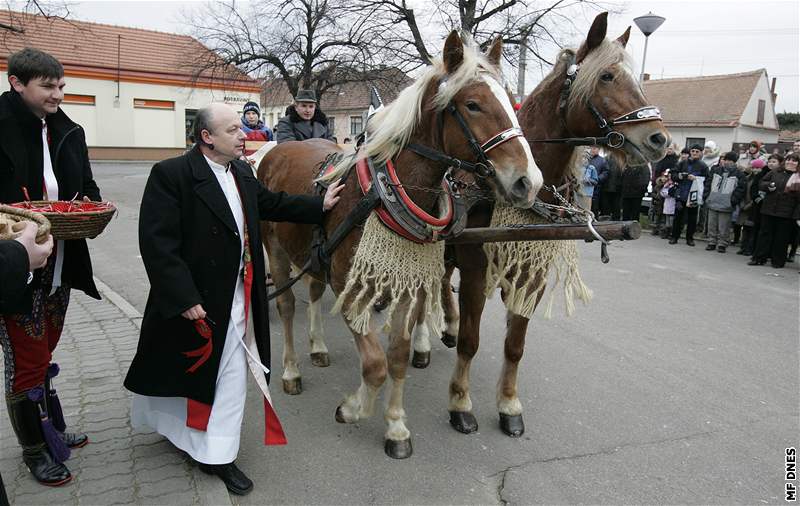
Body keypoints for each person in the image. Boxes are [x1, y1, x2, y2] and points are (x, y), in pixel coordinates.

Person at [124, 103, 343, 496]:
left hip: (239, 293)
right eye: (233, 130)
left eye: (242, 128)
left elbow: (271, 204)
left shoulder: (240, 170)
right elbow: (158, 245)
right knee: (189, 371)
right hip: (197, 300)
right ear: (207, 137)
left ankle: (217, 453)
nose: (244, 135)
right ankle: (188, 439)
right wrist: (184, 297)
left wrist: (319, 206)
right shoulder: (171, 175)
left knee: (229, 376)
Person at [0, 48, 101, 487]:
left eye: (62, 86)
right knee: (26, 360)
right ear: (17, 83)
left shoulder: (67, 129)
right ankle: (35, 451)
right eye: (48, 86)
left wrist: (92, 209)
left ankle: (52, 428)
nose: (58, 94)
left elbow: (88, 186)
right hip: (13, 269)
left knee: (46, 354)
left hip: (59, 263)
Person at [749, 153, 800, 268]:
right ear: (785, 161)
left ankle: (777, 261)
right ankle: (759, 258)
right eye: (789, 160)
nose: (790, 162)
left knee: (781, 238)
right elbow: (761, 183)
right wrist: (768, 186)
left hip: (787, 213)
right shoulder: (776, 171)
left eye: (794, 161)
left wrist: (796, 215)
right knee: (764, 235)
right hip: (769, 209)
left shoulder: (798, 176)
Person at [703, 152, 746, 253]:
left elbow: (740, 189)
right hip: (712, 201)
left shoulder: (739, 174)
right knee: (711, 224)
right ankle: (711, 242)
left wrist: (732, 201)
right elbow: (707, 184)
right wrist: (706, 196)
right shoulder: (715, 171)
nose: (726, 162)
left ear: (734, 162)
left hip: (726, 205)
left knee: (724, 226)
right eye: (725, 159)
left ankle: (722, 243)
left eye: (729, 160)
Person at [669, 144, 709, 246]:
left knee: (692, 218)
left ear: (701, 153)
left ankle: (690, 238)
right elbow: (673, 175)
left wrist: (696, 179)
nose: (694, 153)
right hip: (681, 193)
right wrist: (682, 176)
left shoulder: (703, 166)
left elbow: (707, 181)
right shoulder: (682, 163)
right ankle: (674, 236)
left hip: (693, 196)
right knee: (678, 217)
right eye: (693, 151)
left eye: (697, 151)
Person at [737, 158, 769, 256]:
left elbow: (756, 193)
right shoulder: (747, 178)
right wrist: (742, 204)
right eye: (753, 168)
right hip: (744, 206)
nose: (755, 170)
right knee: (745, 228)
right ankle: (743, 247)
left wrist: (749, 205)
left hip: (753, 207)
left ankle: (750, 248)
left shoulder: (761, 178)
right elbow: (742, 191)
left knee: (752, 230)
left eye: (758, 168)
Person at [600, 155, 622, 220]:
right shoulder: (605, 159)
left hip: (616, 188)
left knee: (616, 208)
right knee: (606, 208)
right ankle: (606, 222)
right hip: (606, 188)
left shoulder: (620, 159)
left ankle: (615, 222)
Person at [586, 146, 607, 215]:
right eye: (591, 148)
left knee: (594, 206)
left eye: (594, 148)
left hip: (596, 188)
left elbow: (605, 172)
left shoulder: (602, 160)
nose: (592, 150)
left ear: (598, 149)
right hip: (585, 186)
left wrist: (597, 179)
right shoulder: (586, 159)